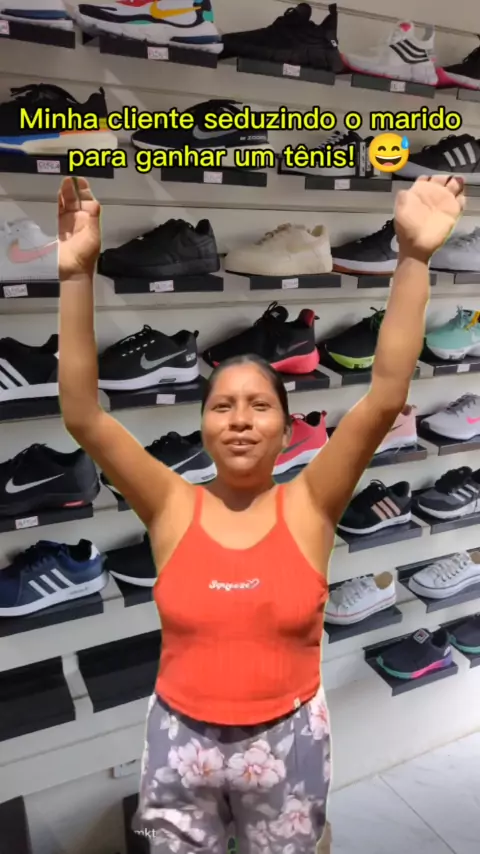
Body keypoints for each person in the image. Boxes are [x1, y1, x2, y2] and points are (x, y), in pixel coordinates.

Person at [57, 174, 464, 854]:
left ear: (284, 429)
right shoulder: (170, 504)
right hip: (181, 739)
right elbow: (82, 413)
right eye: (223, 405)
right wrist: (75, 276)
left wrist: (415, 258)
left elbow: (386, 393)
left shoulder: (311, 504)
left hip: (289, 739)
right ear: (204, 427)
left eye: (260, 406)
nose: (241, 420)